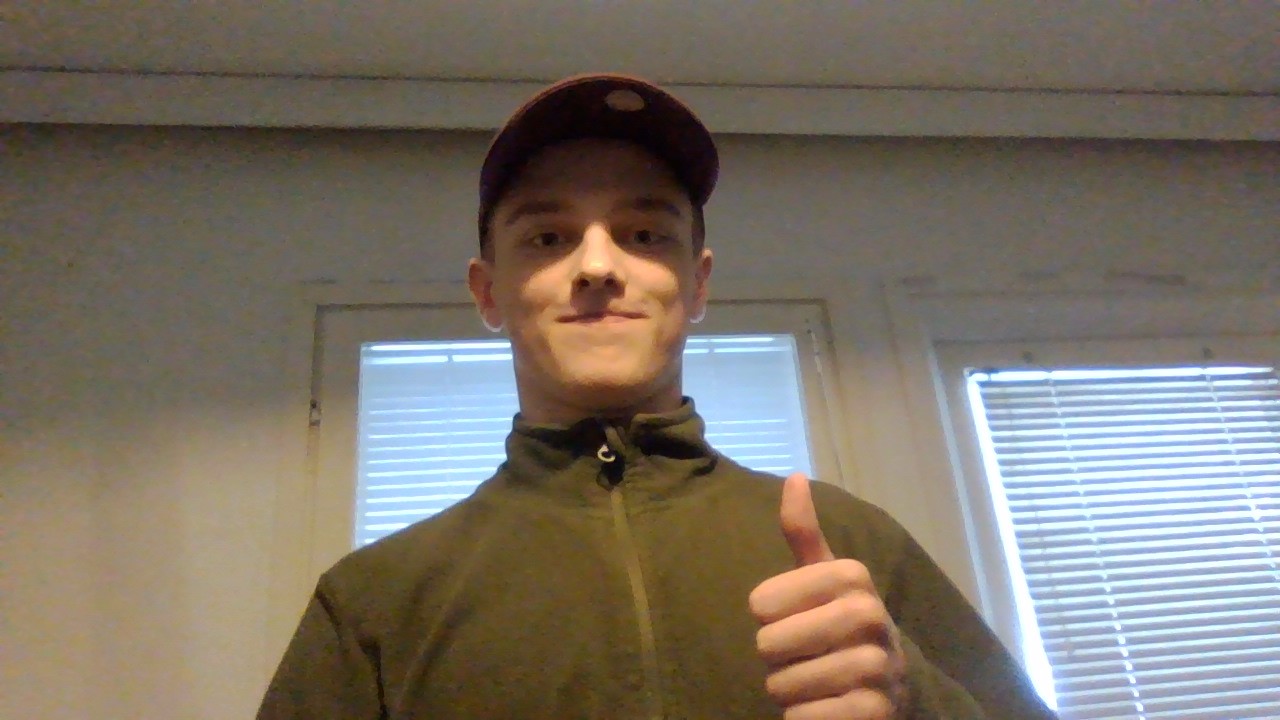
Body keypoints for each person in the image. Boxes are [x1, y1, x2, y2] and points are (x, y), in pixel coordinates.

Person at [258, 74, 1058, 720]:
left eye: (644, 234)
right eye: (547, 237)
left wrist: (916, 703)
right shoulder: (372, 601)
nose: (598, 266)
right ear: (489, 292)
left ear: (697, 284)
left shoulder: (852, 544)